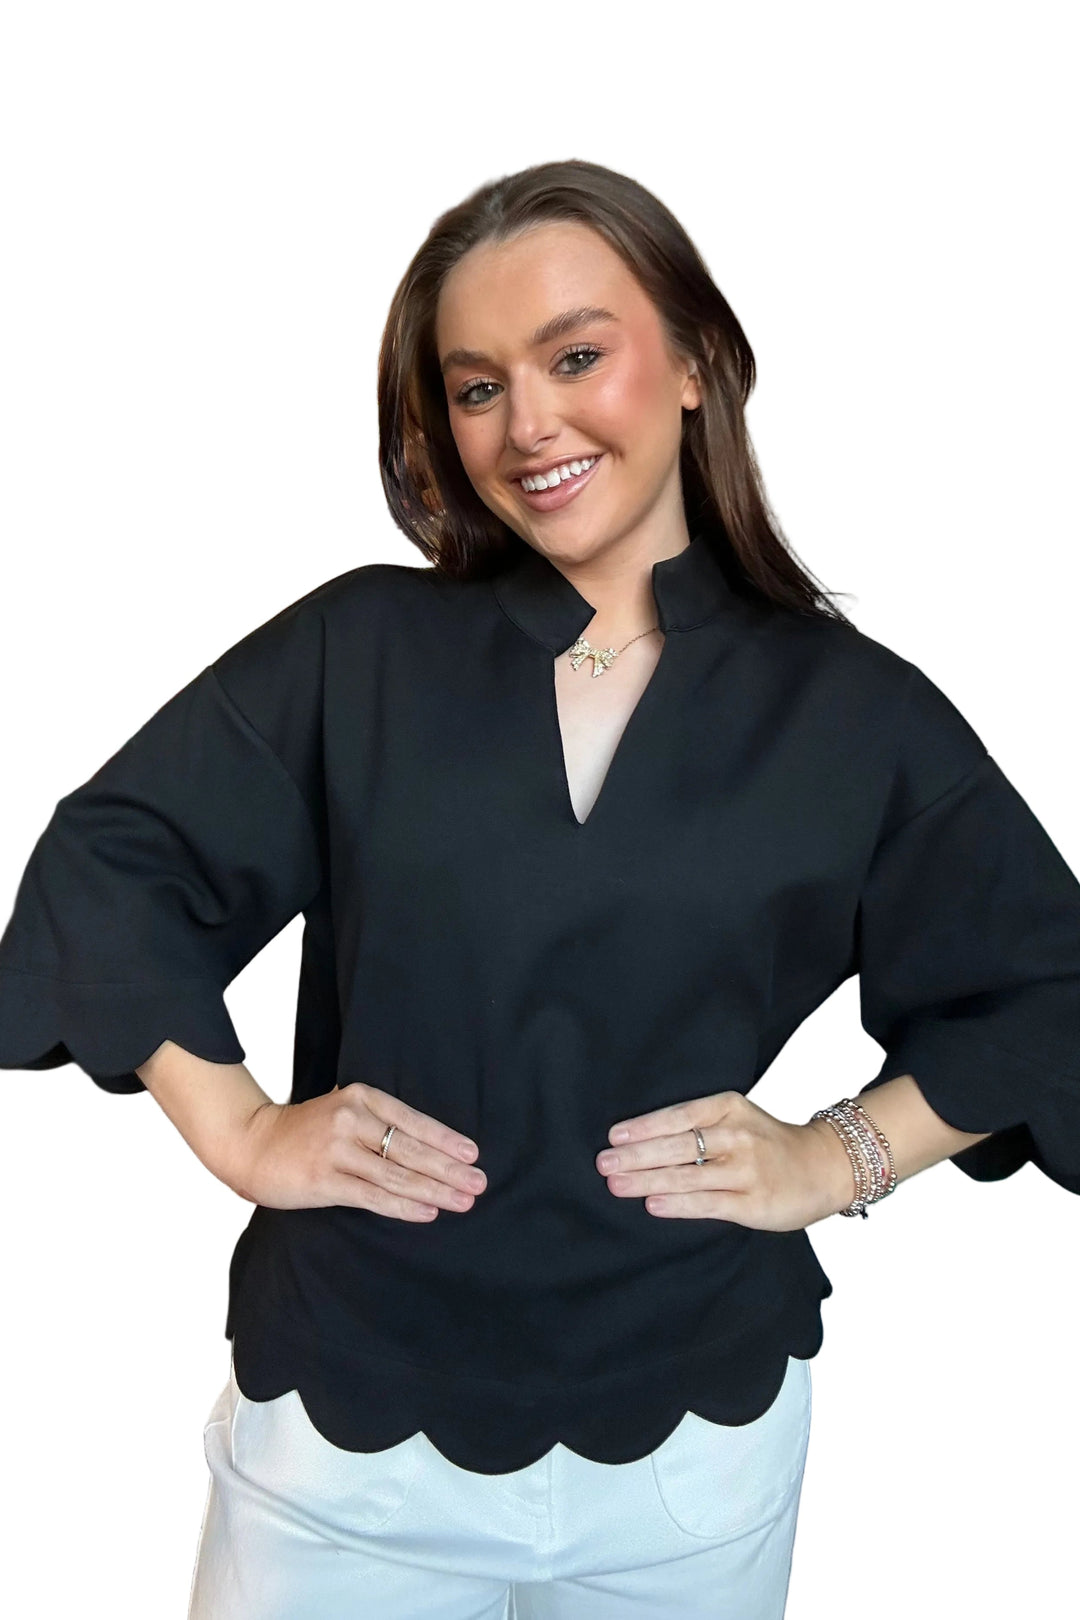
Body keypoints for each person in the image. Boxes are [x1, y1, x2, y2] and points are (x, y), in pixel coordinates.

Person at [1, 158, 1078, 1620]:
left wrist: (841, 1159)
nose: (530, 424)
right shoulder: (358, 653)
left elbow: (1043, 979)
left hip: (693, 1446)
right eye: (476, 385)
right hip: (345, 1440)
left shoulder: (851, 711)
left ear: (695, 362)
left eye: (577, 356)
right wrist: (243, 1132)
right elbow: (112, 861)